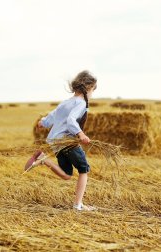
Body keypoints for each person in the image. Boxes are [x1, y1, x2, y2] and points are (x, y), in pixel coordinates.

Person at [25, 70, 97, 211]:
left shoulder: (66, 102)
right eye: (93, 90)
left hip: (55, 142)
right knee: (84, 170)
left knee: (66, 175)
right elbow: (71, 121)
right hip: (66, 141)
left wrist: (43, 122)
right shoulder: (81, 103)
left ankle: (42, 159)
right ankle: (78, 205)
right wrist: (80, 133)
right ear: (88, 88)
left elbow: (52, 116)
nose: (92, 94)